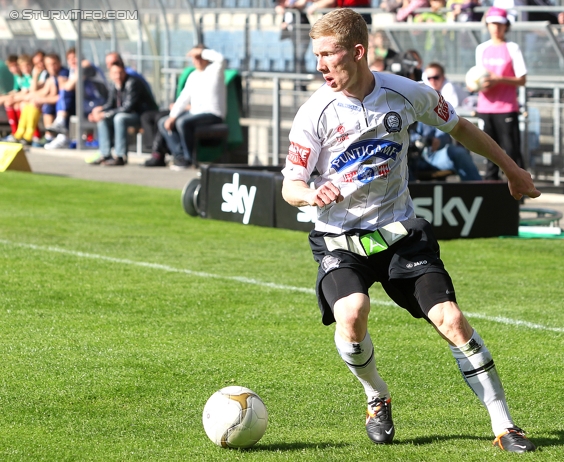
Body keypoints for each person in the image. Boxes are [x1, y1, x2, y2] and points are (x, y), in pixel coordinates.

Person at [281, 8, 540, 452]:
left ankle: (505, 425)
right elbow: (290, 184)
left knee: (452, 320)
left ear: (358, 52)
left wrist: (512, 170)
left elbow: (461, 128)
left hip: (400, 232)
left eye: (328, 54)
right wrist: (309, 195)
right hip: (339, 240)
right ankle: (375, 395)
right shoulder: (314, 113)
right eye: (316, 54)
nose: (320, 64)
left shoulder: (407, 94)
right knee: (352, 313)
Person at [474, 7, 527, 181]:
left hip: (506, 108)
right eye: (492, 23)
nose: (496, 27)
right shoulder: (482, 48)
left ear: (506, 26)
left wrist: (500, 79)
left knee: (511, 152)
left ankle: (519, 190)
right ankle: (491, 192)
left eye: (500, 24)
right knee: (489, 154)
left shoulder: (512, 48)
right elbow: (479, 77)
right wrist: (477, 85)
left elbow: (522, 79)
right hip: (485, 107)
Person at [157, 44, 226, 170]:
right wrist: (172, 117)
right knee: (163, 122)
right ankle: (180, 156)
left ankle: (189, 159)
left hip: (213, 114)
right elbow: (183, 98)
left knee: (183, 122)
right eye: (194, 57)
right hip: (194, 113)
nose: (197, 60)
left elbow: (220, 59)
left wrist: (202, 51)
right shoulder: (193, 75)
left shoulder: (215, 70)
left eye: (199, 56)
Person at [88, 63, 158, 166]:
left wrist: (106, 114)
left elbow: (128, 107)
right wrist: (99, 110)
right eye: (115, 73)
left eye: (120, 72)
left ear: (125, 72)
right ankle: (105, 154)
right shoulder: (114, 84)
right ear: (110, 74)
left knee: (119, 118)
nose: (118, 76)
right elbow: (110, 104)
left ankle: (120, 156)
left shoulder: (133, 83)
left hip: (141, 115)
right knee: (102, 120)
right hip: (124, 114)